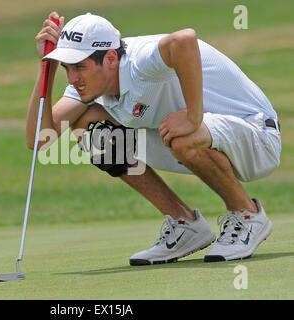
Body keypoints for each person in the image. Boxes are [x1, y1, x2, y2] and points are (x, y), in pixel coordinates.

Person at [26, 12, 281, 265]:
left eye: (80, 66)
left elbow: (185, 40)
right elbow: (40, 138)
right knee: (92, 129)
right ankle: (186, 225)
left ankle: (247, 214)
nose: (73, 78)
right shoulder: (89, 83)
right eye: (67, 68)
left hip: (257, 137)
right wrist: (46, 67)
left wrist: (193, 117)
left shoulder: (139, 62)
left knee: (182, 134)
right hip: (197, 141)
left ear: (111, 58)